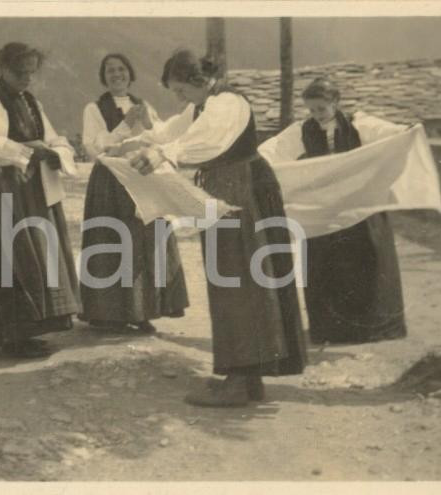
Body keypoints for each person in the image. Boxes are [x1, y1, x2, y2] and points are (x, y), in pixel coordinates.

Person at [112, 49, 306, 407]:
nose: (180, 98)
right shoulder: (200, 106)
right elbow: (175, 131)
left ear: (199, 82)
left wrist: (165, 153)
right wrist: (145, 141)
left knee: (240, 279)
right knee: (228, 278)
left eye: (182, 91)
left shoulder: (227, 103)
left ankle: (242, 378)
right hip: (225, 189)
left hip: (243, 191)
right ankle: (244, 376)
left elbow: (207, 141)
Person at [257, 77, 409, 345]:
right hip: (325, 206)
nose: (316, 116)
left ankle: (371, 328)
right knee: (325, 262)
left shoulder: (358, 124)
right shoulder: (301, 130)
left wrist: (407, 131)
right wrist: (262, 163)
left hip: (358, 203)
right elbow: (272, 150)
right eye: (312, 110)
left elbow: (390, 134)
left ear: (335, 103)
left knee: (367, 260)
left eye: (321, 109)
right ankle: (331, 329)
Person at [0, 42, 81, 358]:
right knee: (11, 255)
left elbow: (54, 136)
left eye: (31, 72)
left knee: (39, 253)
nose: (27, 78)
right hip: (4, 187)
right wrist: (26, 148)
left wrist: (58, 151)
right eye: (20, 72)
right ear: (3, 68)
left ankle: (31, 330)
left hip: (34, 188)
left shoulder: (30, 101)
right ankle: (11, 335)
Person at [79, 53, 189, 334]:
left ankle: (142, 310)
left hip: (141, 177)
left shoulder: (144, 105)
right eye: (110, 71)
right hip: (110, 181)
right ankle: (107, 313)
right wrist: (126, 125)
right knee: (112, 240)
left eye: (121, 69)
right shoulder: (94, 108)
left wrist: (148, 124)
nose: (117, 75)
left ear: (130, 74)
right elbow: (94, 147)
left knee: (144, 241)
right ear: (104, 77)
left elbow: (160, 136)